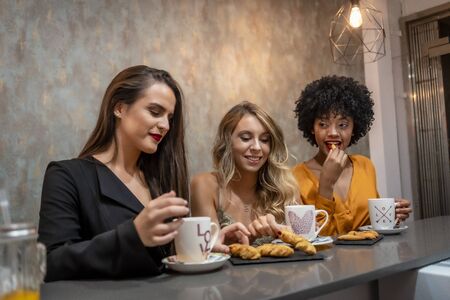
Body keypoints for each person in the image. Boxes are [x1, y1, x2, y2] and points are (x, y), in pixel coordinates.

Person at [38, 65, 190, 281]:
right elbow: (51, 263)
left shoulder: (159, 180)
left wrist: (202, 245)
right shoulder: (67, 176)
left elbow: (166, 261)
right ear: (119, 108)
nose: (165, 125)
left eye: (170, 118)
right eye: (155, 112)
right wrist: (133, 236)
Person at [292, 75, 412, 236]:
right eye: (323, 124)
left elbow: (371, 225)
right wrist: (326, 185)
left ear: (354, 127)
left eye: (343, 125)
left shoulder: (365, 165)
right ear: (312, 128)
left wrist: (391, 216)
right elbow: (315, 238)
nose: (333, 133)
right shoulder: (295, 177)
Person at [190, 101, 300, 252]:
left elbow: (305, 243)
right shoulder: (205, 185)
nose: (256, 147)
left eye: (264, 140)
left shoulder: (286, 187)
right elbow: (205, 253)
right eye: (246, 138)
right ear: (227, 141)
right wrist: (246, 237)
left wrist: (284, 232)